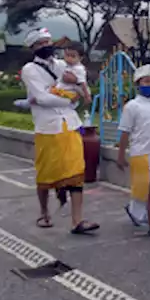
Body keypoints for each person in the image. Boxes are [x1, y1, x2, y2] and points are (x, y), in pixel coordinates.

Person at [20, 28, 98, 235]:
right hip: (48, 126)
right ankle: (44, 212)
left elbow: (81, 83)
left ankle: (77, 221)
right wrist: (70, 98)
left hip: (70, 124)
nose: (46, 46)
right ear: (33, 48)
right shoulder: (30, 70)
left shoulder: (64, 64)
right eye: (40, 44)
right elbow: (42, 98)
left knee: (76, 171)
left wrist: (78, 89)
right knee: (46, 172)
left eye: (48, 41)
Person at [116, 64, 150, 238]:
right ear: (138, 84)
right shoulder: (132, 106)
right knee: (148, 188)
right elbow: (125, 132)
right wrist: (121, 155)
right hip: (140, 153)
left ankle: (136, 211)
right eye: (147, 81)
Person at [51, 42, 90, 209]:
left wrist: (86, 96)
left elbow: (82, 86)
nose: (69, 58)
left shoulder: (79, 70)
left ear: (80, 57)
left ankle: (66, 187)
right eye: (67, 55)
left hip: (68, 108)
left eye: (73, 56)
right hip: (58, 115)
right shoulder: (61, 65)